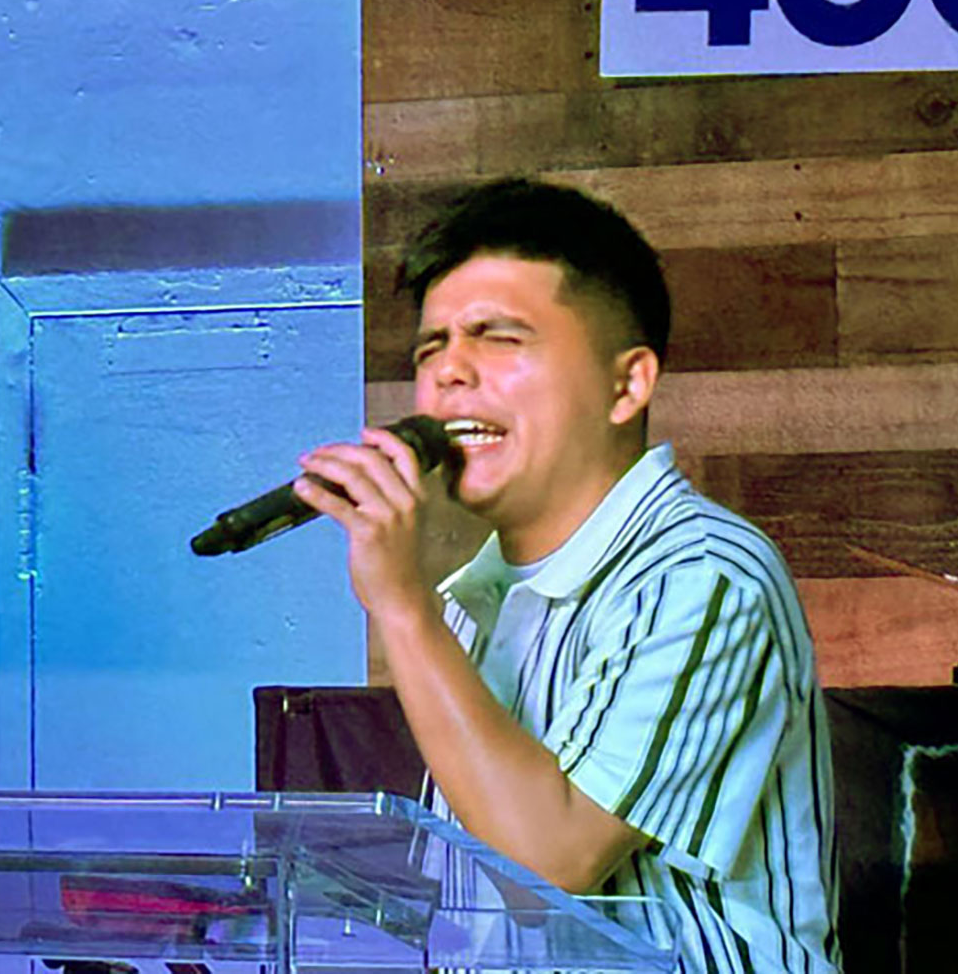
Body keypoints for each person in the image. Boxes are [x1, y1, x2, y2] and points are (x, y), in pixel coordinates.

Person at [294, 178, 838, 974]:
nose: (448, 372)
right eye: (430, 348)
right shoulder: (475, 600)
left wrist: (401, 605)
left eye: (498, 338)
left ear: (627, 384)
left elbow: (549, 863)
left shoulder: (704, 575)